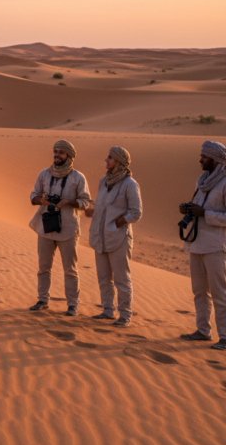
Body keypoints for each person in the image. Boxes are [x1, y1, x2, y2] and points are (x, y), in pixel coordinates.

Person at [178, 141, 226, 351]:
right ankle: (202, 331)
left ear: (215, 160)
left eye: (204, 157)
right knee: (199, 291)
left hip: (216, 246)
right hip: (197, 243)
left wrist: (205, 214)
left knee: (220, 293)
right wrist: (188, 208)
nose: (200, 160)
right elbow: (200, 205)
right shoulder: (202, 181)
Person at [28, 139, 91, 316]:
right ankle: (42, 300)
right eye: (55, 151)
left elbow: (86, 202)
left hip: (68, 229)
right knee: (43, 268)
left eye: (61, 152)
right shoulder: (44, 174)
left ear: (69, 156)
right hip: (45, 226)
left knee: (70, 269)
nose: (57, 155)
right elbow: (33, 196)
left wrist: (68, 202)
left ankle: (72, 304)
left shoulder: (78, 177)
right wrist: (41, 200)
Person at [88, 147, 143, 327]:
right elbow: (102, 206)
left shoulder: (129, 184)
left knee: (121, 278)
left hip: (119, 238)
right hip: (100, 237)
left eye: (110, 157)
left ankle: (125, 314)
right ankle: (107, 310)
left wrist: (119, 223)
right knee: (103, 277)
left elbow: (136, 212)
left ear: (119, 161)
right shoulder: (103, 181)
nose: (106, 160)